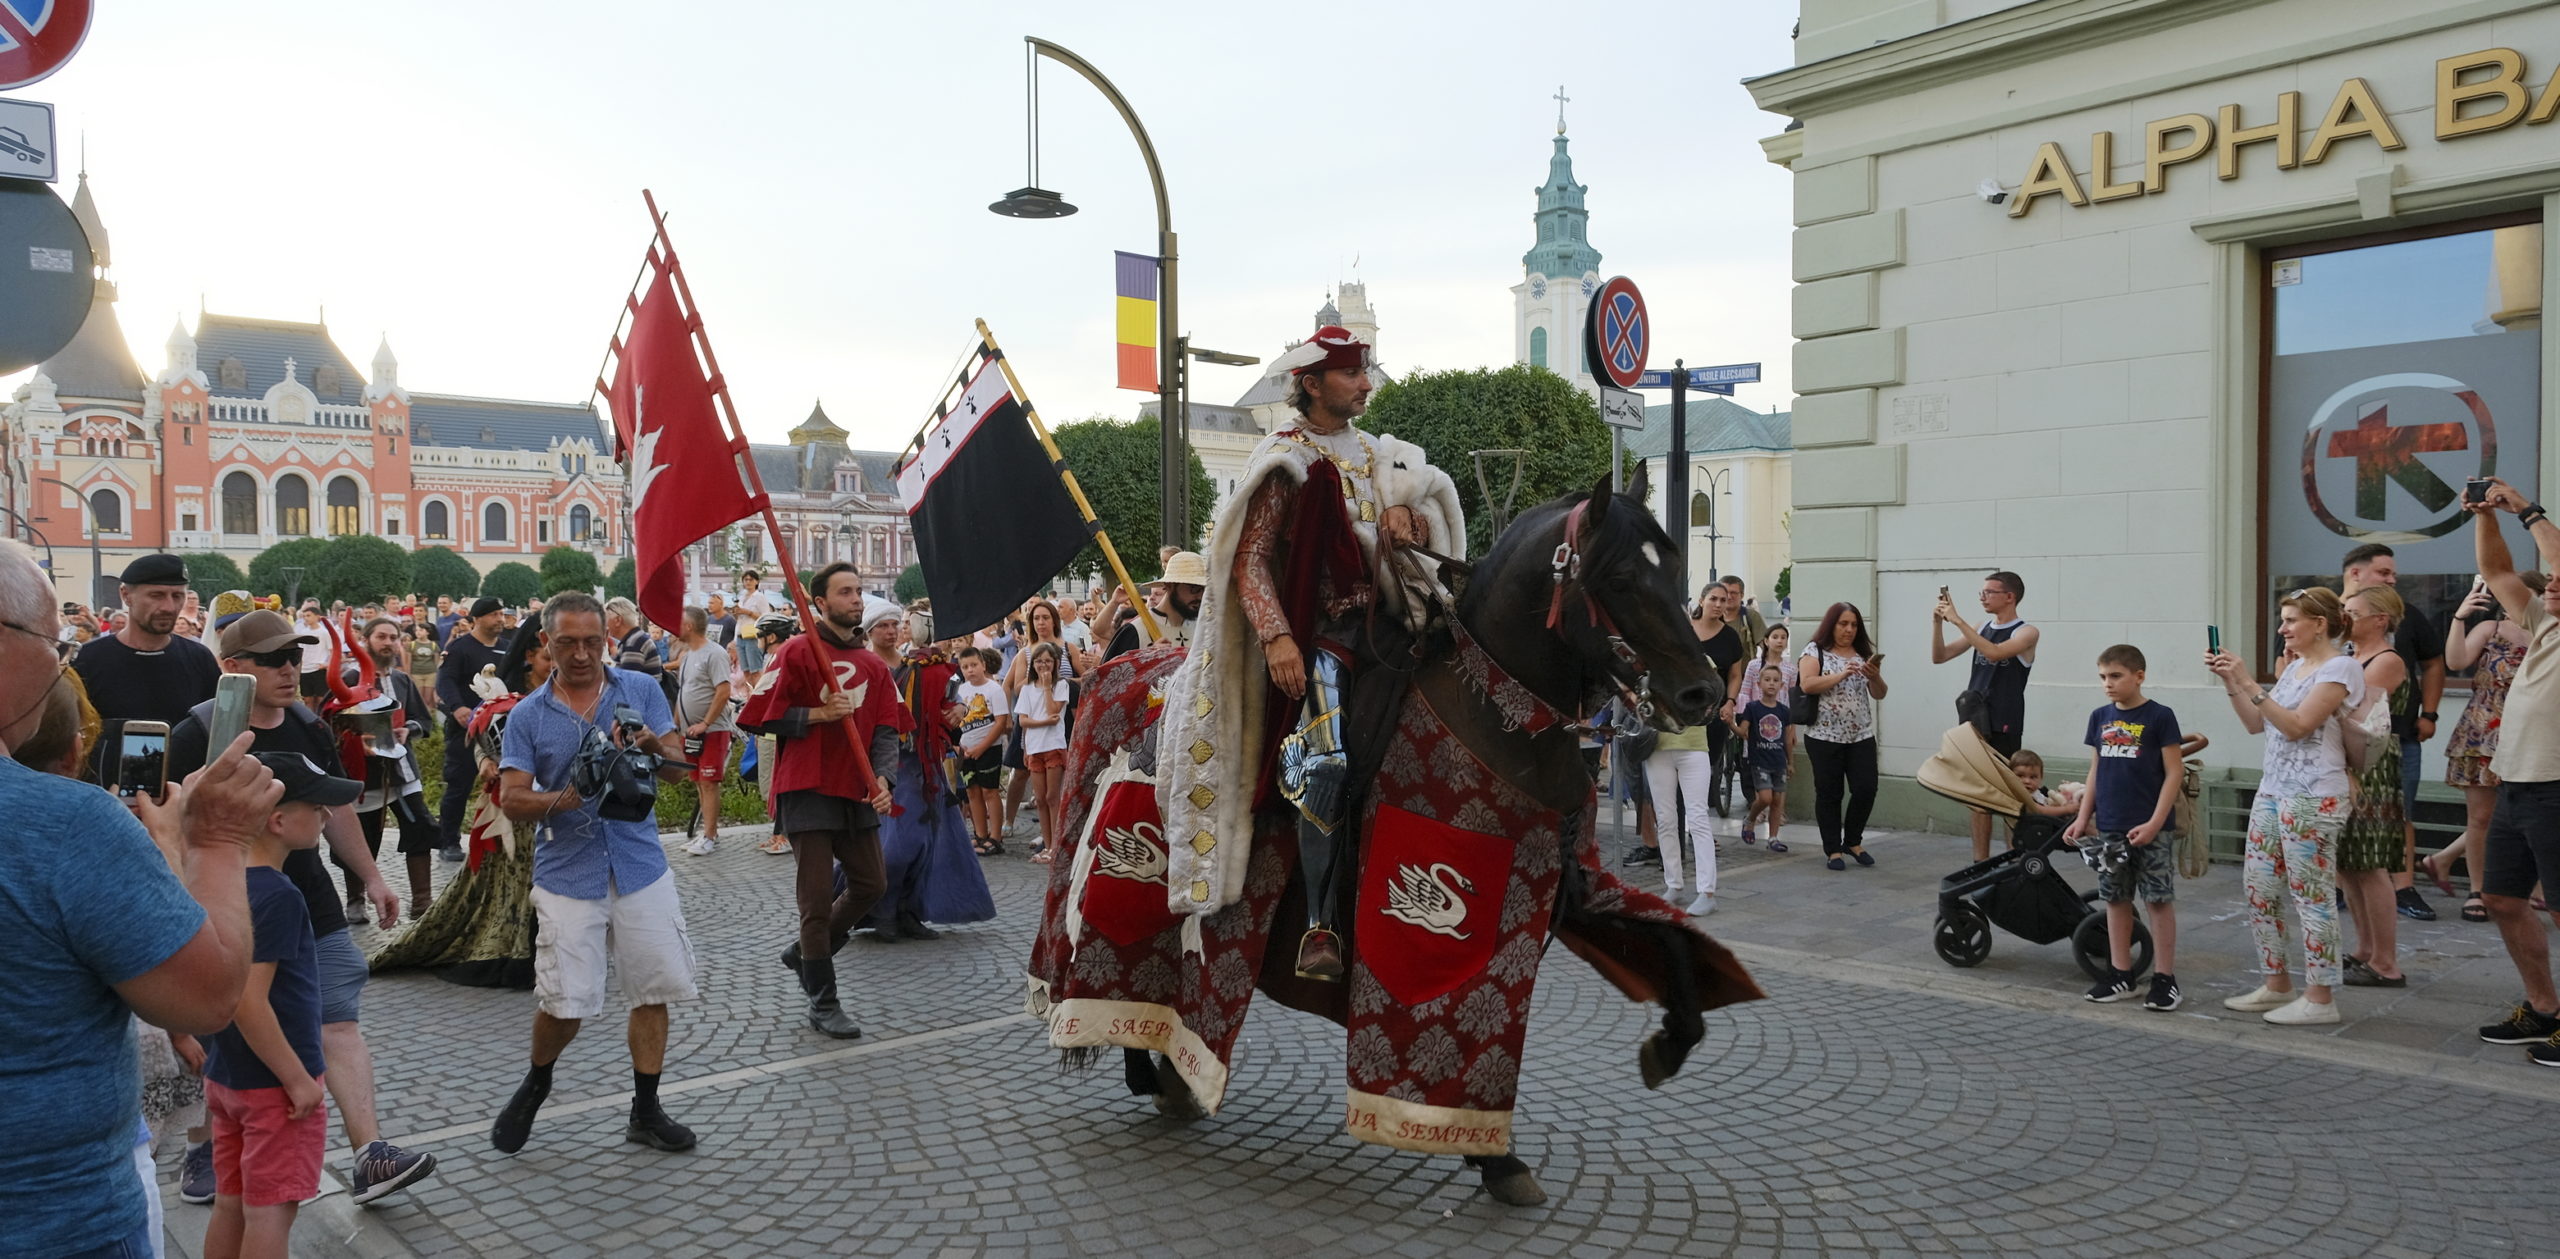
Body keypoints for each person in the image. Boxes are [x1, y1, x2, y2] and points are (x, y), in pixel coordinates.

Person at [0, 538, 282, 1259]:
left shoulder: (190, 662)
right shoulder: (65, 825)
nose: (64, 664)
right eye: (54, 644)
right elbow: (206, 996)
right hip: (58, 1223)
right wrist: (217, 840)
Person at [1156, 321, 1463, 979]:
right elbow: (1250, 560)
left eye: (1365, 370)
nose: (1365, 383)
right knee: (1326, 758)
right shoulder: (1284, 456)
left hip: (1390, 623)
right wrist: (1278, 639)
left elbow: (1409, 534)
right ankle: (1320, 925)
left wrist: (1414, 521)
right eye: (1352, 373)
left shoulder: (1379, 453)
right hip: (1322, 634)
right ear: (1313, 383)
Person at [167, 609, 438, 1206]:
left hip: (307, 898)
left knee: (338, 1018)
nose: (291, 669)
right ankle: (207, 1144)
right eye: (274, 660)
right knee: (224, 1025)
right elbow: (169, 826)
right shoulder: (196, 733)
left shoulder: (308, 725)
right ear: (232, 668)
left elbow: (335, 806)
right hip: (227, 901)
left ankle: (370, 1155)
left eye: (295, 656)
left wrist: (371, 876)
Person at [489, 592, 702, 1153]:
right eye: (567, 643)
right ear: (546, 643)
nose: (581, 653)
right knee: (565, 1003)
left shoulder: (640, 689)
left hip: (639, 864)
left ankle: (646, 1110)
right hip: (569, 874)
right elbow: (511, 799)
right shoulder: (529, 715)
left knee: (652, 989)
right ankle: (536, 1082)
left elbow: (680, 772)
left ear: (606, 637)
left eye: (591, 641)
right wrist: (565, 798)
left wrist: (657, 745)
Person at [733, 568, 907, 1040]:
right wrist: (817, 714)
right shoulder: (795, 651)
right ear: (819, 602)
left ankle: (807, 953)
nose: (855, 600)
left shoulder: (873, 665)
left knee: (871, 884)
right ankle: (823, 1000)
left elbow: (888, 730)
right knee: (814, 901)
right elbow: (756, 715)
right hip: (807, 786)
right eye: (844, 592)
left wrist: (885, 778)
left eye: (857, 592)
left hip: (855, 789)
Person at [201, 753, 361, 1259]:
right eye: (317, 806)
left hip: (227, 1076)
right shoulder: (278, 896)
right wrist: (295, 1076)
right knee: (271, 1208)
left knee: (231, 1202)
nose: (327, 816)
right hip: (274, 1087)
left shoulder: (217, 883)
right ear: (277, 820)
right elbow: (250, 1000)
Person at [2207, 586, 2362, 1027]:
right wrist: (2231, 682)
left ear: (2320, 624)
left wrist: (2250, 681)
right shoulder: (2295, 669)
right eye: (2283, 619)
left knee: (2311, 897)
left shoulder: (2341, 668)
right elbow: (2259, 723)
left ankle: (2320, 996)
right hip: (2274, 790)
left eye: (2292, 620)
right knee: (2259, 889)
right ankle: (2277, 984)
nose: (2283, 628)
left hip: (2315, 794)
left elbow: (2297, 726)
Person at [368, 630, 552, 990]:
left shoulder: (569, 690)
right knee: (512, 876)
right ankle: (514, 948)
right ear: (530, 655)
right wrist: (484, 761)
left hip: (555, 803)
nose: (557, 663)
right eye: (549, 656)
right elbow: (483, 734)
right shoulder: (505, 689)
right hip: (509, 807)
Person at [2458, 479, 2560, 1063]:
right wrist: (2484, 516)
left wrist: (2522, 507)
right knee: (2500, 897)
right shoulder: (2544, 621)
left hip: (2556, 789)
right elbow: (2498, 574)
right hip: (2515, 784)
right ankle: (2544, 1007)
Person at [859, 607, 995, 941]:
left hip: (929, 764)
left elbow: (950, 699)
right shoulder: (867, 667)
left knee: (933, 842)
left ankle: (908, 911)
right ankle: (881, 910)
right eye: (883, 626)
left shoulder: (918, 665)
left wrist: (959, 708)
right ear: (869, 631)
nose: (891, 631)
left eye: (895, 625)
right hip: (892, 766)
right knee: (898, 845)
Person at [2067, 645, 2186, 1011]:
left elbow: (2174, 773)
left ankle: (2165, 979)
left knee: (2157, 900)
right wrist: (2083, 816)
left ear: (2139, 675)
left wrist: (2154, 823)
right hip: (2111, 827)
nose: (2108, 684)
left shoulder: (2160, 716)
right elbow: (2096, 770)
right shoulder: (2099, 717)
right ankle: (2121, 974)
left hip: (2151, 828)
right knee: (2116, 899)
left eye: (2116, 676)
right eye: (2103, 677)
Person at [2340, 542, 2447, 921]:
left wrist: (2430, 713)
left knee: (2399, 813)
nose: (2393, 579)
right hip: (2339, 745)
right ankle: (2343, 886)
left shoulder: (2406, 617)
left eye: (2392, 574)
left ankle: (2403, 887)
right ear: (2355, 573)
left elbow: (2434, 663)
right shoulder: (2319, 617)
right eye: (2384, 573)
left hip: (2397, 737)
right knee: (2344, 817)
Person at [2430, 571, 2544, 923]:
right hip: (2484, 730)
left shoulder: (2548, 633)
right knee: (2481, 818)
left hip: (2532, 733)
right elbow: (2456, 661)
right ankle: (2476, 889)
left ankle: (2533, 886)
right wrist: (2460, 618)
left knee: (2533, 814)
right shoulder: (2490, 629)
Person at [72, 552, 223, 784]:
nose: (169, 606)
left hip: (182, 796)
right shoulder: (90, 660)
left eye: (177, 596)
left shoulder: (199, 658)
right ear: (126, 595)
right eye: (156, 595)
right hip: (108, 796)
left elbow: (215, 732)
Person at [1931, 571, 2038, 862]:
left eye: (1989, 592)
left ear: (2009, 596)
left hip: (2005, 721)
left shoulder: (2026, 632)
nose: (1982, 597)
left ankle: (2015, 859)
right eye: (1981, 592)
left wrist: (1958, 621)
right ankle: (1980, 861)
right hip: (1975, 722)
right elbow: (1939, 656)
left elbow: (1994, 653)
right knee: (1977, 798)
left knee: (2007, 795)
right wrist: (1938, 623)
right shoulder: (1981, 626)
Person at [2336, 586, 2411, 988]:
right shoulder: (2351, 657)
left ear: (2379, 619)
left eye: (2352, 612)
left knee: (2371, 864)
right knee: (2348, 865)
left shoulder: (2387, 660)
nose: (2344, 618)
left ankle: (2386, 960)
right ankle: (2365, 949)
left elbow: (2351, 710)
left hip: (2372, 766)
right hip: (2345, 762)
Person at [351, 617, 439, 919]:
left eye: (393, 637)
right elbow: (329, 723)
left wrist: (409, 731)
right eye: (381, 637)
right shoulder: (350, 678)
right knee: (363, 839)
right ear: (366, 640)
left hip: (403, 772)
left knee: (420, 828)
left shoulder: (402, 681)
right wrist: (354, 739)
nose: (388, 643)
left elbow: (423, 720)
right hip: (367, 776)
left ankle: (422, 903)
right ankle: (355, 900)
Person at [1800, 601, 1888, 870]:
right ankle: (1832, 849)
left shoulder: (1863, 653)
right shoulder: (1815, 651)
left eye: (1853, 625)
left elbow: (1879, 693)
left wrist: (1874, 676)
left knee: (1866, 788)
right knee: (1829, 793)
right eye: (1843, 624)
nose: (1849, 630)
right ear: (1831, 625)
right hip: (1824, 736)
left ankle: (1852, 840)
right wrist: (1841, 674)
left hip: (1860, 735)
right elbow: (1808, 684)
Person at [435, 597, 512, 863]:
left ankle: (501, 840)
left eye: (502, 614)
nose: (500, 619)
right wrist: (457, 708)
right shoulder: (459, 648)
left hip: (501, 732)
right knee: (459, 785)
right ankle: (449, 841)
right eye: (494, 615)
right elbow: (445, 681)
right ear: (476, 619)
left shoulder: (508, 649)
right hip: (466, 730)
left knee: (505, 785)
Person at [673, 605, 737, 858]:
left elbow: (723, 691)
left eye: (678, 623)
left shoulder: (715, 653)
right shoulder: (688, 655)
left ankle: (710, 836)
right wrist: (675, 725)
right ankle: (708, 832)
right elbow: (683, 691)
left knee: (709, 783)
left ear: (689, 626)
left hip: (712, 730)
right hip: (690, 731)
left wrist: (706, 723)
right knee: (699, 781)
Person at [1691, 582, 1749, 821]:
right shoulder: (1685, 629)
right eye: (1713, 599)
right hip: (1685, 706)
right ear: (1702, 600)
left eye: (1723, 600)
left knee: (1707, 765)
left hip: (1715, 709)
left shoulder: (1730, 637)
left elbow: (1735, 675)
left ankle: (1699, 822)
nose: (1718, 605)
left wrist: (1730, 702)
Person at [950, 647, 1012, 855]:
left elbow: (1001, 722)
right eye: (965, 667)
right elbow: (951, 722)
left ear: (983, 665)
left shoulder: (994, 689)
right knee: (972, 792)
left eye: (974, 665)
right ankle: (980, 834)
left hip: (988, 749)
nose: (971, 670)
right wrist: (956, 746)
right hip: (965, 751)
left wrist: (982, 747)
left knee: (989, 791)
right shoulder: (960, 691)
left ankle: (995, 836)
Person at [1017, 642, 1074, 863]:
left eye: (1048, 661)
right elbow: (1023, 720)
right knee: (1040, 799)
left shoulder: (1061, 686)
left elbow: (1054, 712)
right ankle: (1048, 845)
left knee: (1052, 796)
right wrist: (1028, 743)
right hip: (1034, 748)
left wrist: (1048, 686)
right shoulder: (1027, 689)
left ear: (1056, 663)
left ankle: (1057, 846)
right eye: (1039, 661)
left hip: (1053, 746)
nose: (1043, 665)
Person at [1738, 664, 1794, 853]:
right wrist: (1730, 723)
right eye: (1767, 680)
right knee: (1765, 798)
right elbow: (1743, 731)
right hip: (1760, 761)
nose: (1771, 684)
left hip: (1779, 762)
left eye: (1775, 680)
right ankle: (1750, 819)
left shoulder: (1784, 711)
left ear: (1782, 685)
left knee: (1778, 801)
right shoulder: (1752, 708)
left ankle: (1773, 837)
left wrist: (1790, 762)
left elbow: (1787, 738)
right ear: (1759, 683)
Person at [1103, 559, 1203, 659]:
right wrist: (1145, 659)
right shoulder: (1135, 630)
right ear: (1169, 585)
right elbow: (1108, 672)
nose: (1199, 597)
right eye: (1194, 589)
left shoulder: (1201, 630)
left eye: (1203, 590)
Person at [405, 621, 440, 689]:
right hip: (416, 674)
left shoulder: (433, 645)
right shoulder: (412, 645)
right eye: (416, 630)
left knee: (428, 697)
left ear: (427, 632)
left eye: (421, 630)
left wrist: (437, 674)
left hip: (431, 673)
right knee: (419, 697)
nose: (418, 632)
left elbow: (436, 662)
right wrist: (408, 675)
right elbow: (408, 662)